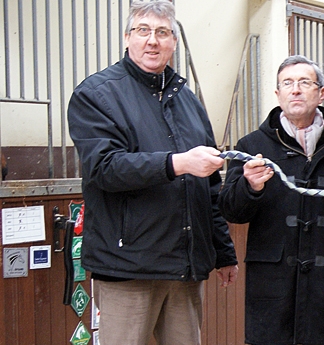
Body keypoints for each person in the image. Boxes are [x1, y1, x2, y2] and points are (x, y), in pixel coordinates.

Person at [66, 1, 238, 344]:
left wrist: (223, 252)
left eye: (162, 32)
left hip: (184, 268)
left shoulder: (189, 102)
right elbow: (104, 168)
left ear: (174, 42)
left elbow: (210, 190)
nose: (152, 41)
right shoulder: (96, 94)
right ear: (128, 38)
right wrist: (179, 163)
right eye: (143, 30)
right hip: (128, 267)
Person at [217, 55, 324, 345]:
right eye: (287, 83)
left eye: (305, 82)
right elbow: (232, 209)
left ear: (321, 93)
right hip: (272, 288)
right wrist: (249, 187)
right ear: (277, 94)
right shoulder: (252, 146)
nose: (295, 89)